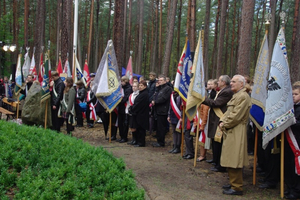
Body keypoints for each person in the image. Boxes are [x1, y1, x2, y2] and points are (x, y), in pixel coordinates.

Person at [219, 75, 251, 195]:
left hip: (237, 130)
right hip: (231, 129)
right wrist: (222, 121)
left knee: (235, 158)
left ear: (241, 84)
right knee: (230, 156)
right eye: (231, 81)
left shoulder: (243, 96)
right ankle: (233, 183)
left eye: (234, 82)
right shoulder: (237, 95)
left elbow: (236, 115)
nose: (231, 83)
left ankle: (237, 187)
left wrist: (224, 124)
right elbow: (229, 112)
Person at [203, 75, 233, 172]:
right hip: (215, 119)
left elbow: (217, 103)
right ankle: (215, 160)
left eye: (219, 81)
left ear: (224, 82)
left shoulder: (227, 91)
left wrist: (203, 99)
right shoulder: (221, 90)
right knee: (215, 142)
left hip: (220, 119)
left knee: (219, 143)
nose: (218, 82)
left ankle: (220, 165)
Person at [284, 83, 300, 199]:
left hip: (297, 140)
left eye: (296, 94)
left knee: (296, 166)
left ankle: (296, 190)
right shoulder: (292, 107)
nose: (293, 96)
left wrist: (292, 122)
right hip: (289, 140)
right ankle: (290, 186)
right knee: (289, 164)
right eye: (292, 94)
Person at [151, 75, 172, 147]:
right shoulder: (159, 89)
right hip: (157, 110)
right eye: (159, 80)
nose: (159, 82)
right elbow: (154, 96)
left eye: (161, 80)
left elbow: (163, 98)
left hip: (163, 110)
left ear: (165, 81)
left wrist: (155, 102)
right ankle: (158, 140)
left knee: (161, 127)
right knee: (157, 127)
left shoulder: (168, 89)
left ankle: (161, 142)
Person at [131, 80, 149, 147]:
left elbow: (139, 104)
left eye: (142, 85)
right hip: (139, 114)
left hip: (142, 114)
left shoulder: (145, 94)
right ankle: (138, 141)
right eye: (140, 85)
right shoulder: (141, 93)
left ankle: (141, 142)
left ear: (145, 86)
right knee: (138, 128)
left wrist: (133, 108)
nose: (140, 87)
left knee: (141, 129)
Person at [117, 76, 132, 143]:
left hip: (125, 107)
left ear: (126, 81)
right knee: (120, 123)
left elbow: (126, 98)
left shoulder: (129, 88)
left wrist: (119, 102)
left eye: (122, 81)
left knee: (124, 123)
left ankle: (124, 137)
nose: (121, 83)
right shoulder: (121, 88)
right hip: (120, 107)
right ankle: (121, 136)